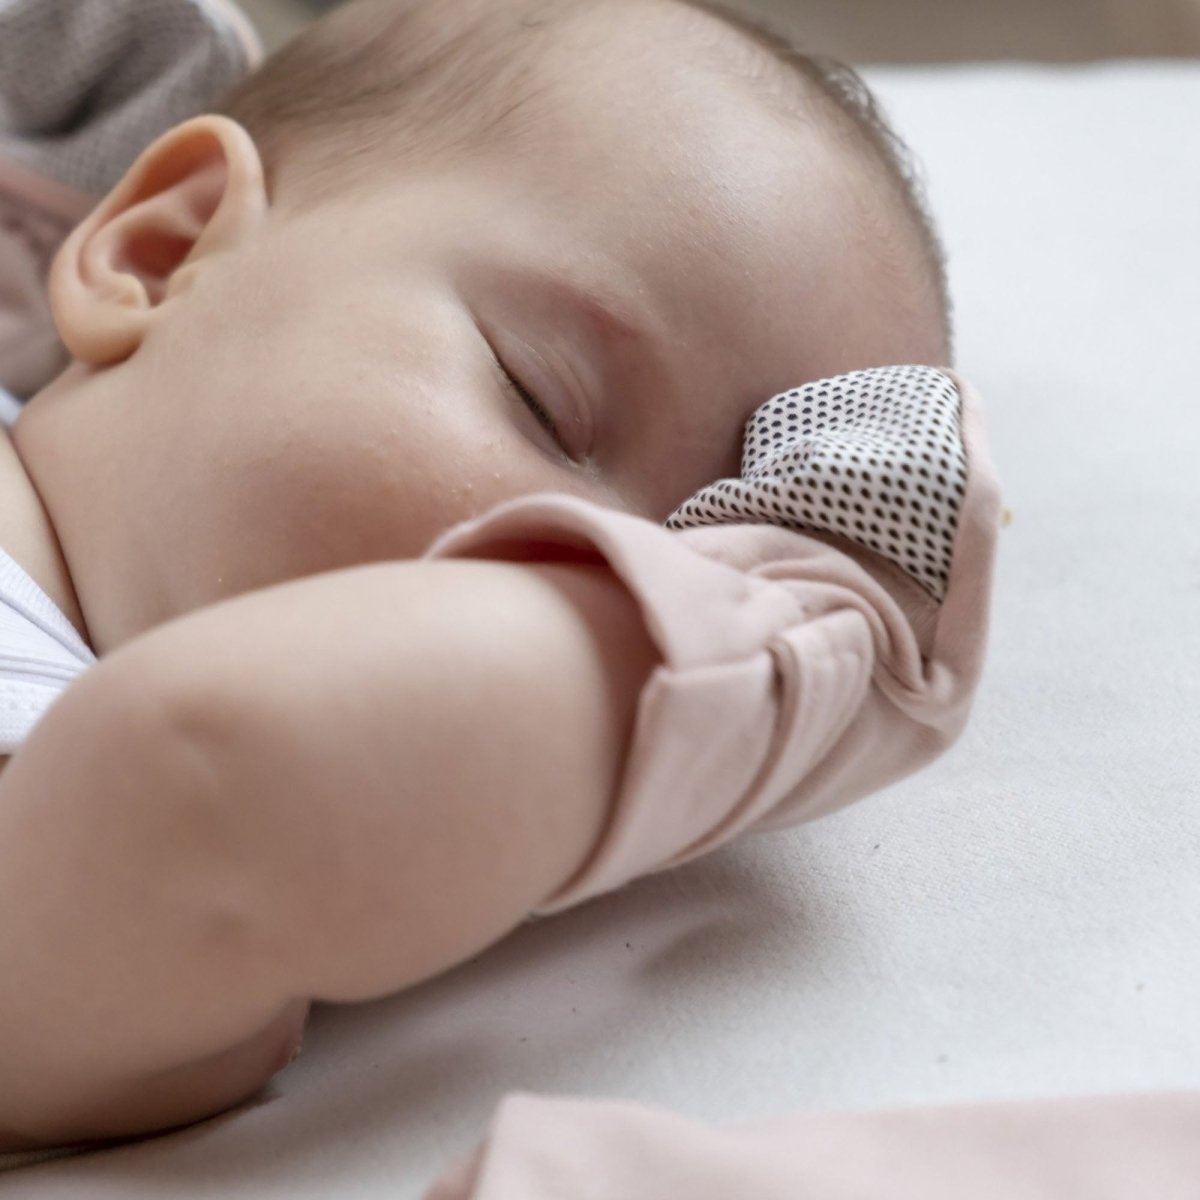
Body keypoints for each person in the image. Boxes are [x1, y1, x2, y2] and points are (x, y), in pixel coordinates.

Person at [0, 0, 1000, 1161]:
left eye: (673, 568)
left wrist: (784, 654)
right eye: (544, 401)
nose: (571, 553)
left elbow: (212, 785)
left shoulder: (80, 845)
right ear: (164, 251)